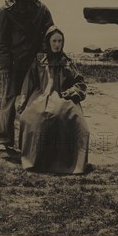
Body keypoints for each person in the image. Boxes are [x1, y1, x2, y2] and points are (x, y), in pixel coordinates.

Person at [0, 0, 54, 153]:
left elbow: (49, 31)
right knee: (9, 100)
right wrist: (3, 65)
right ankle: (4, 139)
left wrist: (44, 52)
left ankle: (29, 141)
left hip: (34, 63)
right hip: (12, 64)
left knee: (33, 101)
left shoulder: (42, 9)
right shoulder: (6, 11)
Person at [16, 26, 90, 174]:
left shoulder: (66, 61)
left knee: (76, 122)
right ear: (48, 42)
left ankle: (68, 163)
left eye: (60, 41)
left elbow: (80, 82)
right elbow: (28, 83)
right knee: (35, 119)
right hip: (41, 95)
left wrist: (71, 91)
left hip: (63, 95)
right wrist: (23, 100)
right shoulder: (39, 61)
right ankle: (37, 161)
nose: (57, 44)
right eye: (54, 41)